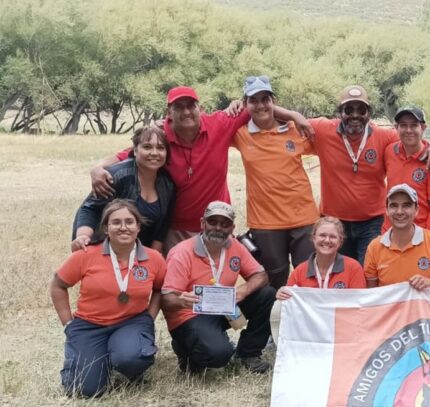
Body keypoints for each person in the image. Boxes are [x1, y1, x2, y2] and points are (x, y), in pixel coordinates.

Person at [89, 86, 309, 252]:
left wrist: (293, 116)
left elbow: (258, 107)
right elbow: (126, 155)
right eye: (179, 107)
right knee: (175, 290)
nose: (186, 112)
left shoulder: (220, 124)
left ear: (199, 108)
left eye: (190, 105)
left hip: (216, 224)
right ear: (169, 112)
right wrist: (97, 167)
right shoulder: (160, 137)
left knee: (216, 287)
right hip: (174, 228)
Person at [307, 85, 430, 263]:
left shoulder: (384, 136)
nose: (355, 115)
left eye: (361, 109)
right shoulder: (323, 129)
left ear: (368, 113)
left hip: (372, 222)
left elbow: (410, 138)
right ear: (340, 112)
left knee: (369, 273)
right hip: (333, 221)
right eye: (349, 109)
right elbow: (289, 122)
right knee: (338, 274)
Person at [51, 200, 167, 397]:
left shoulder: (153, 257)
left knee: (132, 358)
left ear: (138, 227)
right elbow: (58, 285)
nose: (123, 227)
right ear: (106, 228)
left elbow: (160, 289)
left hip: (131, 322)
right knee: (85, 390)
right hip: (89, 325)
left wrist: (149, 317)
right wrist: (68, 324)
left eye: (129, 222)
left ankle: (126, 362)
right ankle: (95, 359)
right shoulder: (86, 255)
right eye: (116, 222)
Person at [161, 201, 276, 374]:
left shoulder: (235, 246)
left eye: (225, 224)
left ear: (232, 227)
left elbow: (261, 276)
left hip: (222, 308)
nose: (218, 228)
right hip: (191, 315)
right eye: (212, 222)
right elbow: (167, 300)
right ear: (202, 223)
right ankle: (186, 349)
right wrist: (182, 301)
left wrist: (242, 291)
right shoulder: (181, 252)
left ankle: (248, 354)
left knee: (268, 295)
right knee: (219, 356)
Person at [231, 76, 318, 288]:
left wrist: (292, 115)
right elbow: (212, 123)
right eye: (254, 100)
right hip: (265, 223)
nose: (260, 105)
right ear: (245, 104)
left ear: (274, 101)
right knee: (272, 281)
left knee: (306, 280)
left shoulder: (295, 129)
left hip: (303, 219)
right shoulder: (240, 134)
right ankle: (272, 322)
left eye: (265, 99)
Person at [72, 126, 175, 253]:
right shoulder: (117, 176)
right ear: (135, 150)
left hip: (137, 252)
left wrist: (153, 258)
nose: (154, 153)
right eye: (147, 147)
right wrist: (83, 237)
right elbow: (90, 208)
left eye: (160, 148)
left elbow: (162, 226)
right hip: (101, 248)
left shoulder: (168, 184)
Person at [271, 217, 367, 344]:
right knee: (278, 306)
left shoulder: (353, 268)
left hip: (342, 332)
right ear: (314, 237)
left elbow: (360, 307)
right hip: (310, 334)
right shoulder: (300, 271)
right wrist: (282, 294)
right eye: (322, 235)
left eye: (333, 237)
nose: (327, 240)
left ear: (340, 241)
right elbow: (290, 306)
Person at [364, 185, 430, 289]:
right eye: (394, 206)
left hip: (426, 305)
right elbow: (371, 293)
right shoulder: (374, 247)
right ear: (387, 210)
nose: (400, 212)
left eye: (406, 205)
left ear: (416, 210)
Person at [382, 106, 430, 233]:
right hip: (389, 232)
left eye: (414, 125)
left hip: (418, 234)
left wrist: (429, 240)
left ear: (423, 128)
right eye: (403, 125)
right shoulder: (389, 151)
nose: (408, 130)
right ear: (396, 128)